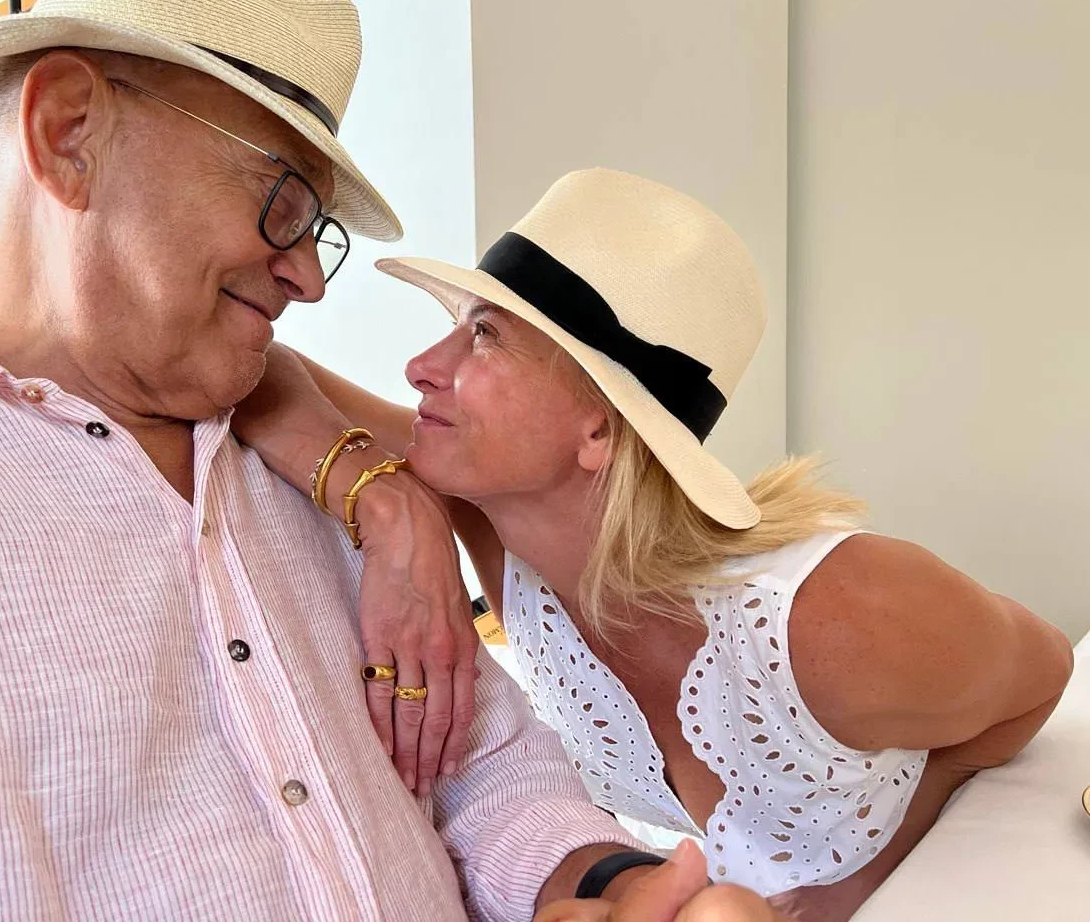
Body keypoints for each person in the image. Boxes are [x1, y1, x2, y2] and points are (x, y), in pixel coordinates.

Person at [0, 0, 792, 920]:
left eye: (314, 227)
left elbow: (488, 777)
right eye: (282, 201)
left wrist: (604, 886)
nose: (311, 281)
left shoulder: (309, 458)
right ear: (69, 132)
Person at [232, 167, 1075, 921]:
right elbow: (259, 369)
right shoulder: (494, 526)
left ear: (599, 429)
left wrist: (867, 878)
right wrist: (391, 513)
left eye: (486, 335)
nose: (420, 364)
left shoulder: (833, 615)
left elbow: (1044, 675)